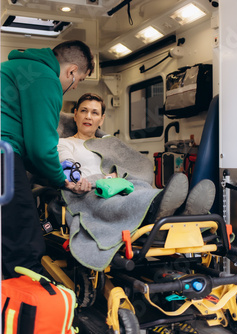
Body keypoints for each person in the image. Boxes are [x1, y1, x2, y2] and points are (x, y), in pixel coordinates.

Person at [56, 93, 216, 270]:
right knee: (119, 202)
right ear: (75, 114)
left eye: (94, 113)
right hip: (91, 191)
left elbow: (137, 165)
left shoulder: (110, 143)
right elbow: (67, 167)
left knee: (140, 189)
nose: (88, 116)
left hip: (120, 184)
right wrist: (76, 183)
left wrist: (118, 175)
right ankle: (162, 214)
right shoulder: (65, 143)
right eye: (84, 111)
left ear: (101, 120)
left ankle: (180, 212)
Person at [0, 41, 94, 279]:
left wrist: (53, 176)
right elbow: (41, 149)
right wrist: (61, 180)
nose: (73, 88)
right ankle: (27, 309)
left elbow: (33, 152)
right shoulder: (46, 79)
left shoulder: (17, 68)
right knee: (26, 242)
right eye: (79, 80)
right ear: (72, 71)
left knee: (8, 234)